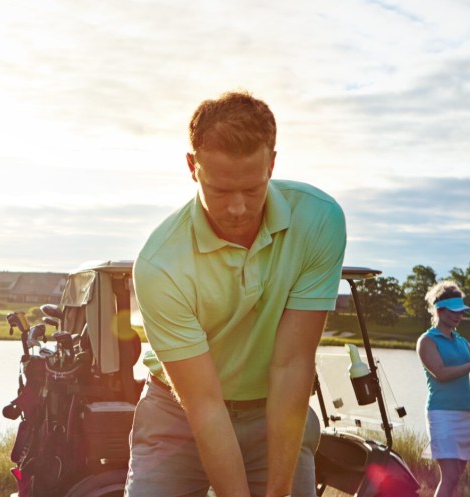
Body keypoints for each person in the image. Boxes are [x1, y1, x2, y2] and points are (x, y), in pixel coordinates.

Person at [126, 91, 347, 497]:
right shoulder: (159, 264)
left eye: (252, 188)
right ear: (193, 167)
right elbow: (205, 404)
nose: (238, 209)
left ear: (272, 164)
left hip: (274, 408)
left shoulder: (319, 220)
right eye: (221, 191)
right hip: (179, 411)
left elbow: (292, 364)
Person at [415, 281, 470, 497]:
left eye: (462, 312)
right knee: (449, 475)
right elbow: (441, 373)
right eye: (454, 311)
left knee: (456, 475)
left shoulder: (461, 341)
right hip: (442, 413)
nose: (459, 316)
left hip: (466, 412)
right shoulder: (427, 341)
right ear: (440, 310)